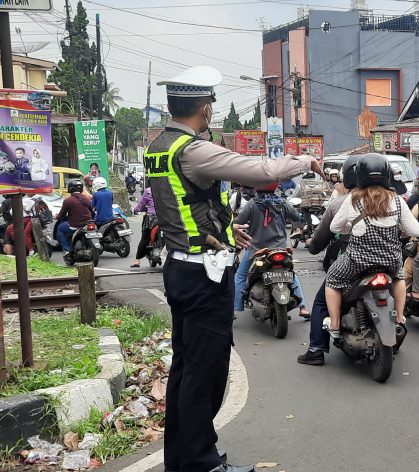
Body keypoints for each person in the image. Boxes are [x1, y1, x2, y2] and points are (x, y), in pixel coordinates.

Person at [146, 65, 321, 472]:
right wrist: (304, 160)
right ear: (205, 109)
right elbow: (259, 172)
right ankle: (202, 463)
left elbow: (187, 206)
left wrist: (227, 231)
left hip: (181, 266)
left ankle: (183, 459)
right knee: (204, 372)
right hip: (203, 275)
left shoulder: (159, 145)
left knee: (186, 369)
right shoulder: (193, 150)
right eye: (211, 104)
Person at [324, 153, 419, 337]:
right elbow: (416, 231)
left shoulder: (352, 200)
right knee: (399, 277)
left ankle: (335, 325)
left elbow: (334, 227)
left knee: (332, 280)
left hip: (357, 262)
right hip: (390, 261)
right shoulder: (398, 201)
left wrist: (351, 228)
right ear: (386, 175)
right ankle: (399, 318)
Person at [298, 155, 359, 366]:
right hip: (386, 261)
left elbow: (322, 237)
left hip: (349, 261)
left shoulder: (340, 204)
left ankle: (316, 349)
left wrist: (312, 246)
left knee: (321, 301)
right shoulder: (390, 200)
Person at [233, 184, 310, 319]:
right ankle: (303, 307)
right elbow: (298, 218)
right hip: (280, 249)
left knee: (240, 276)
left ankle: (235, 307)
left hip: (257, 250)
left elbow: (238, 222)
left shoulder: (252, 204)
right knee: (291, 275)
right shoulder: (283, 203)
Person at [55, 178, 94, 260]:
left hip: (76, 225)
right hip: (89, 223)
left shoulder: (67, 201)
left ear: (70, 188)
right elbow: (91, 210)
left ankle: (66, 249)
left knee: (60, 228)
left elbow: (61, 215)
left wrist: (56, 217)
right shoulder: (86, 198)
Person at [130, 185, 157, 268]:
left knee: (145, 238)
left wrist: (135, 210)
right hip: (167, 218)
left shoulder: (148, 191)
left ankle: (137, 260)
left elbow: (141, 205)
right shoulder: (168, 188)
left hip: (153, 218)